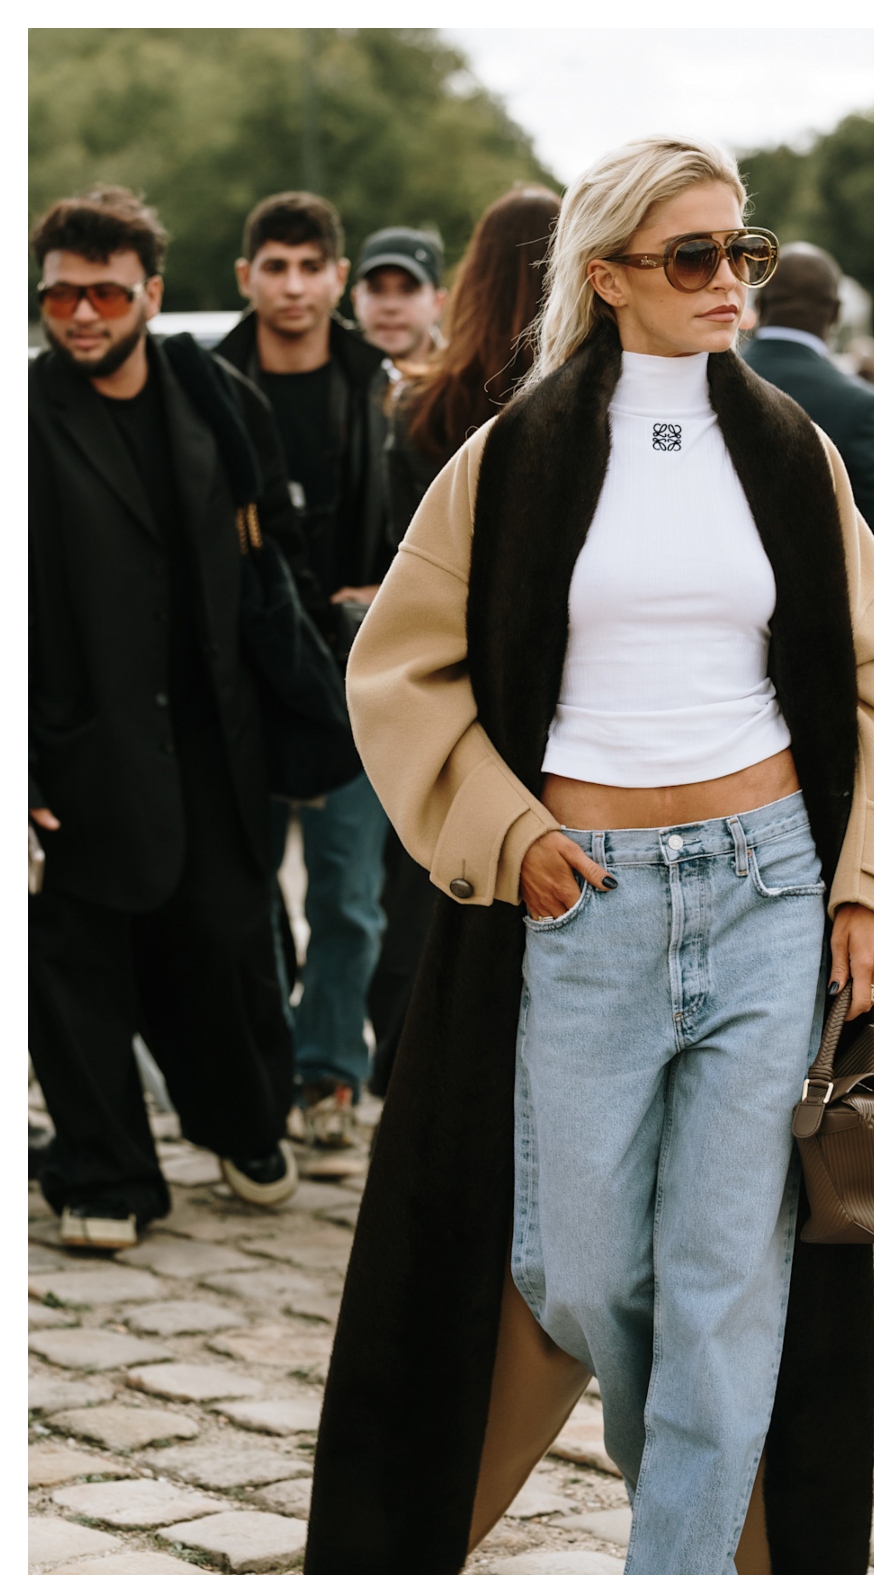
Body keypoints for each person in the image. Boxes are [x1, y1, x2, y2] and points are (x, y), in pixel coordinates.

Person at [305, 136, 874, 1575]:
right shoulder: (512, 458)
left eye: (744, 251)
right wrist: (509, 832)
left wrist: (867, 884)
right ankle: (689, 1512)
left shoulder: (789, 448)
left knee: (727, 1281)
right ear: (605, 276)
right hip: (580, 900)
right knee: (586, 1268)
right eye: (692, 256)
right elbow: (399, 672)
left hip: (767, 890)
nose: (731, 281)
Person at [29, 186, 307, 1248]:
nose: (81, 315)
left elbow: (273, 549)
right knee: (77, 974)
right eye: (61, 296)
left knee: (226, 950)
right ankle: (106, 1176)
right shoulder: (25, 416)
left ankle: (242, 1124)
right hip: (72, 744)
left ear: (150, 293)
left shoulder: (212, 393)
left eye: (105, 294)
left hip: (211, 741)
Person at [217, 190, 400, 1163]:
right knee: (244, 892)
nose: (292, 286)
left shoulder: (380, 388)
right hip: (239, 675)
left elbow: (423, 519)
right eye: (274, 267)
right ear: (246, 277)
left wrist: (388, 590)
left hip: (353, 673)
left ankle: (327, 1070)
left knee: (346, 894)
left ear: (337, 278)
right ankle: (264, 1064)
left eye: (309, 267)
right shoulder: (207, 386)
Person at [369, 184, 562, 1099]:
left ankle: (419, 1098)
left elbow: (401, 565)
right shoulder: (580, 407)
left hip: (457, 706)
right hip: (558, 705)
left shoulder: (422, 406)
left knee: (431, 921)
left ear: (472, 278)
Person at [746, 240, 874, 601]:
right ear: (836, 312)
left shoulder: (708, 380)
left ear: (760, 303)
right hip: (817, 613)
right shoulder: (860, 405)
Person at [352, 225, 446, 363]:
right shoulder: (327, 371)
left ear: (438, 303)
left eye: (408, 290)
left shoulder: (470, 373)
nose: (391, 306)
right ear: (356, 300)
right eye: (376, 289)